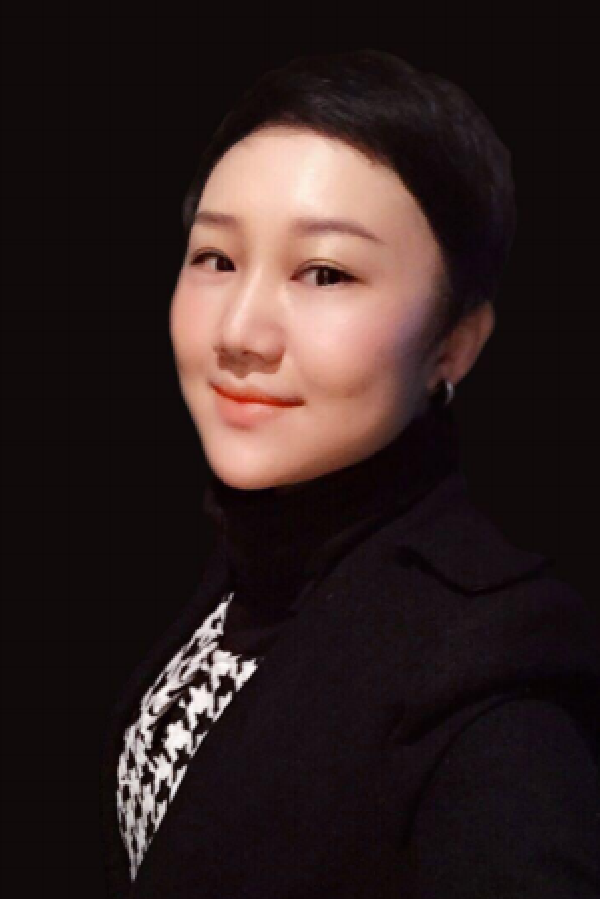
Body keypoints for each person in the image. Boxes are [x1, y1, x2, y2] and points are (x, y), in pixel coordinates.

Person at [100, 49, 600, 898]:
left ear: (455, 344)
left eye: (325, 272)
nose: (240, 332)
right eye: (216, 257)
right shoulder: (263, 543)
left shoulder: (488, 682)